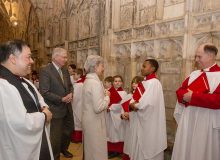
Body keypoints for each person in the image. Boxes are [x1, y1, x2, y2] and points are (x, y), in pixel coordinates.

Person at [0, 40, 53, 160]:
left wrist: (43, 106)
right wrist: (44, 116)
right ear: (13, 59)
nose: (32, 61)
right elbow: (18, 122)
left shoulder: (23, 80)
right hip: (18, 150)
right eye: (28, 57)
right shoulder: (3, 85)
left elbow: (38, 99)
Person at [172, 43, 220, 160]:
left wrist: (193, 97)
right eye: (196, 56)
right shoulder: (194, 74)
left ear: (210, 56)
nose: (196, 60)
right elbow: (180, 91)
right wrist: (185, 96)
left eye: (199, 57)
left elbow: (217, 100)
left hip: (206, 123)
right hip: (189, 119)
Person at [39, 47, 74, 160]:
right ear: (56, 57)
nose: (66, 59)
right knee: (56, 137)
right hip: (55, 109)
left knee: (68, 131)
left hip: (67, 107)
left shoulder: (64, 70)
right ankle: (55, 156)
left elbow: (70, 86)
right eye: (64, 57)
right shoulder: (46, 70)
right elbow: (44, 91)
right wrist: (61, 99)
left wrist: (71, 94)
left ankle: (64, 149)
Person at [129, 59, 167, 160]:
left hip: (150, 121)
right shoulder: (143, 82)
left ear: (152, 69)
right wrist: (132, 104)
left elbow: (146, 103)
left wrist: (135, 105)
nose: (142, 68)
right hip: (140, 119)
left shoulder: (154, 83)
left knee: (149, 144)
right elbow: (135, 98)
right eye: (142, 65)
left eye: (144, 66)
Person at [82, 55, 110, 160]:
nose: (103, 69)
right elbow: (98, 107)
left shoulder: (88, 81)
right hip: (95, 122)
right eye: (102, 66)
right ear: (95, 67)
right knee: (97, 151)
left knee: (91, 151)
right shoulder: (95, 83)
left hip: (90, 121)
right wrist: (107, 97)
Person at [121, 76, 144, 160]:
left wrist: (130, 115)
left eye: (137, 82)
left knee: (136, 143)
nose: (134, 84)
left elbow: (141, 111)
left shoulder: (143, 97)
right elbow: (122, 108)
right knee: (129, 142)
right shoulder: (129, 95)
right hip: (128, 125)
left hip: (137, 124)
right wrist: (123, 115)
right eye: (133, 82)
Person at [106, 75, 128, 158]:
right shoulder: (108, 91)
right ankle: (110, 149)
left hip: (118, 116)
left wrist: (110, 107)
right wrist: (106, 106)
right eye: (115, 81)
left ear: (122, 83)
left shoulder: (124, 93)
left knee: (117, 133)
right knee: (109, 132)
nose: (117, 83)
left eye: (119, 81)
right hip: (109, 115)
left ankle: (117, 150)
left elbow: (121, 105)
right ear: (113, 82)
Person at [71, 68, 85, 142]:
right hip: (78, 104)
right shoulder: (79, 83)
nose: (73, 75)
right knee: (77, 121)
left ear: (79, 75)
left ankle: (77, 138)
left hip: (77, 105)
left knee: (77, 121)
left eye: (74, 74)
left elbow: (75, 96)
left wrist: (70, 100)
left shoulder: (79, 84)